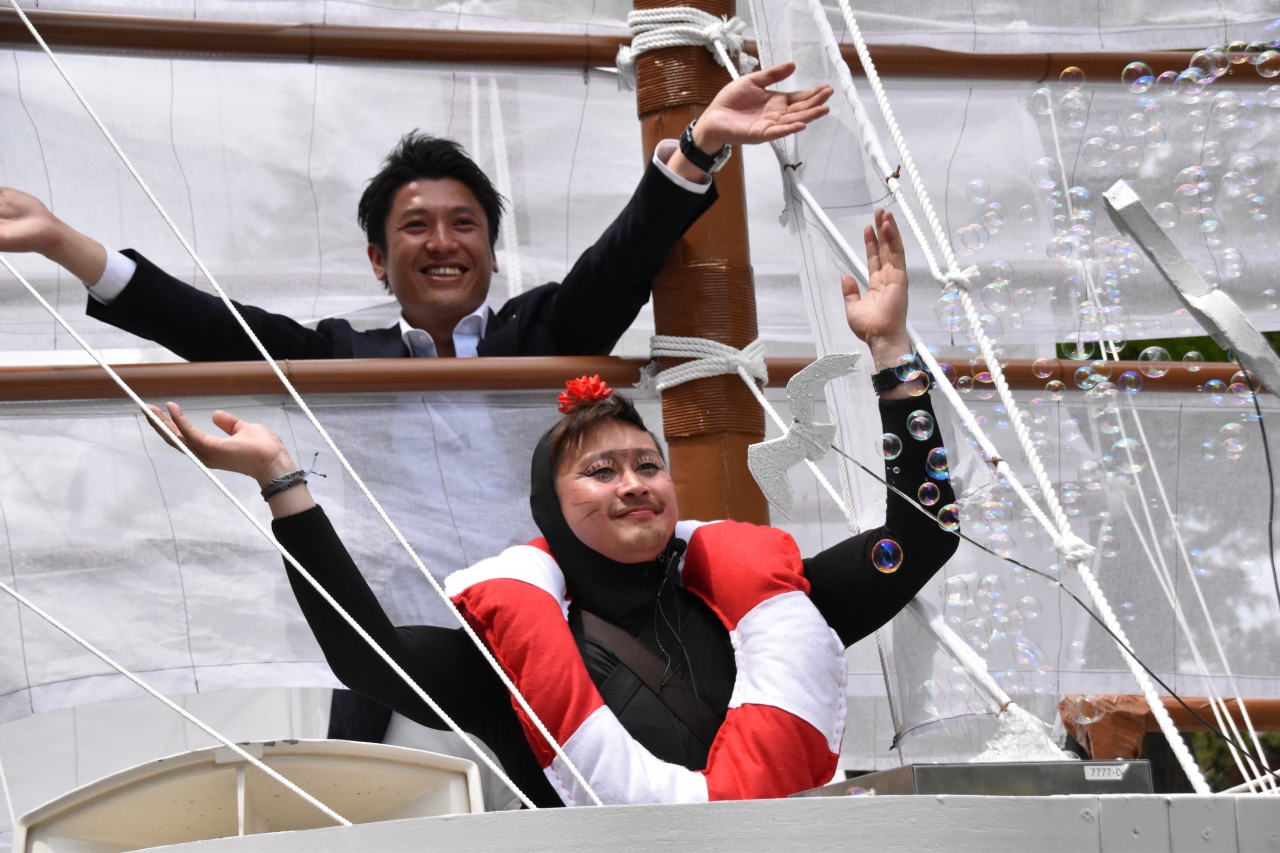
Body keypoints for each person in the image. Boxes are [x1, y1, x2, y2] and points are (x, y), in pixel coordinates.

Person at [144, 208, 960, 806]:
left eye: (647, 464)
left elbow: (923, 536)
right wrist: (282, 480)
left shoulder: (777, 606)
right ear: (550, 507)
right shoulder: (511, 661)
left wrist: (891, 354)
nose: (633, 482)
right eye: (601, 471)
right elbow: (368, 656)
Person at [0, 63, 831, 361]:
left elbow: (622, 261)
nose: (442, 242)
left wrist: (699, 144)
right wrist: (60, 240)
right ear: (376, 258)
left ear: (493, 252)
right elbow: (210, 329)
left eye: (465, 224)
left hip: (557, 643)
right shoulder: (339, 355)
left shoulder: (544, 333)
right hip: (393, 650)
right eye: (414, 226)